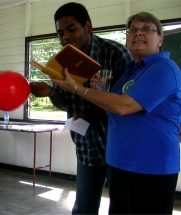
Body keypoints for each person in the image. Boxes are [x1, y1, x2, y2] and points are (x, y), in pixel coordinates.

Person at [51, 12, 181, 215]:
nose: (138, 34)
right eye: (132, 30)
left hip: (151, 168)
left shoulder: (164, 68)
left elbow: (124, 106)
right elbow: (113, 109)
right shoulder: (130, 71)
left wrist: (77, 88)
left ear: (160, 40)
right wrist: (101, 92)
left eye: (146, 29)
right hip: (119, 164)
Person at [30, 2, 132, 214]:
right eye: (60, 32)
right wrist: (49, 92)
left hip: (118, 148)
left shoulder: (116, 54)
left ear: (88, 27)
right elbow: (67, 104)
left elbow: (129, 104)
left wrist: (93, 113)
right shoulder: (61, 62)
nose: (65, 37)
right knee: (84, 208)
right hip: (86, 149)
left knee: (121, 208)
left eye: (71, 29)